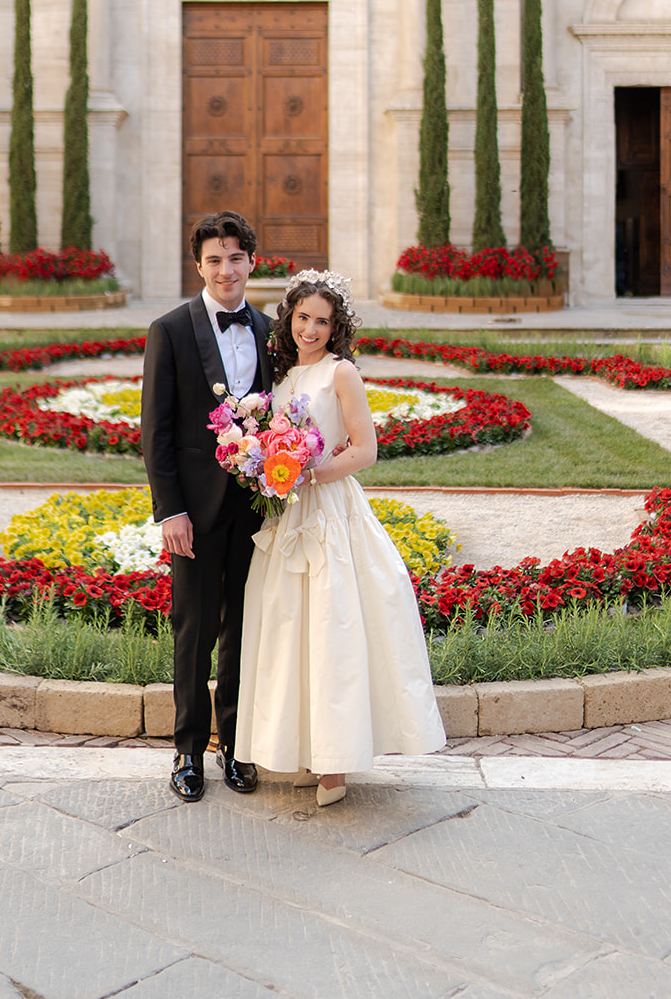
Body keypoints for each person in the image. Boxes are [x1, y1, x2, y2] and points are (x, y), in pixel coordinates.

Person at [234, 269, 447, 806]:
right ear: (289, 320)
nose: (311, 329)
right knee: (291, 629)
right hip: (285, 515)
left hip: (328, 510)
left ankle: (337, 765)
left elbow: (364, 450)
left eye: (322, 321)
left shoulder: (341, 374)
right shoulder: (278, 381)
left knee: (333, 631)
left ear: (336, 328)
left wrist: (307, 471)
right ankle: (307, 745)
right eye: (303, 318)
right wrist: (262, 465)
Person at [140, 210, 273, 802]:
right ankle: (189, 751)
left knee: (244, 630)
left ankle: (236, 746)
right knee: (193, 630)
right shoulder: (169, 330)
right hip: (192, 512)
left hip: (255, 511)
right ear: (199, 265)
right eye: (214, 260)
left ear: (252, 262)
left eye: (235, 258)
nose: (225, 270)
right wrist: (170, 511)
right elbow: (156, 432)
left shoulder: (272, 332)